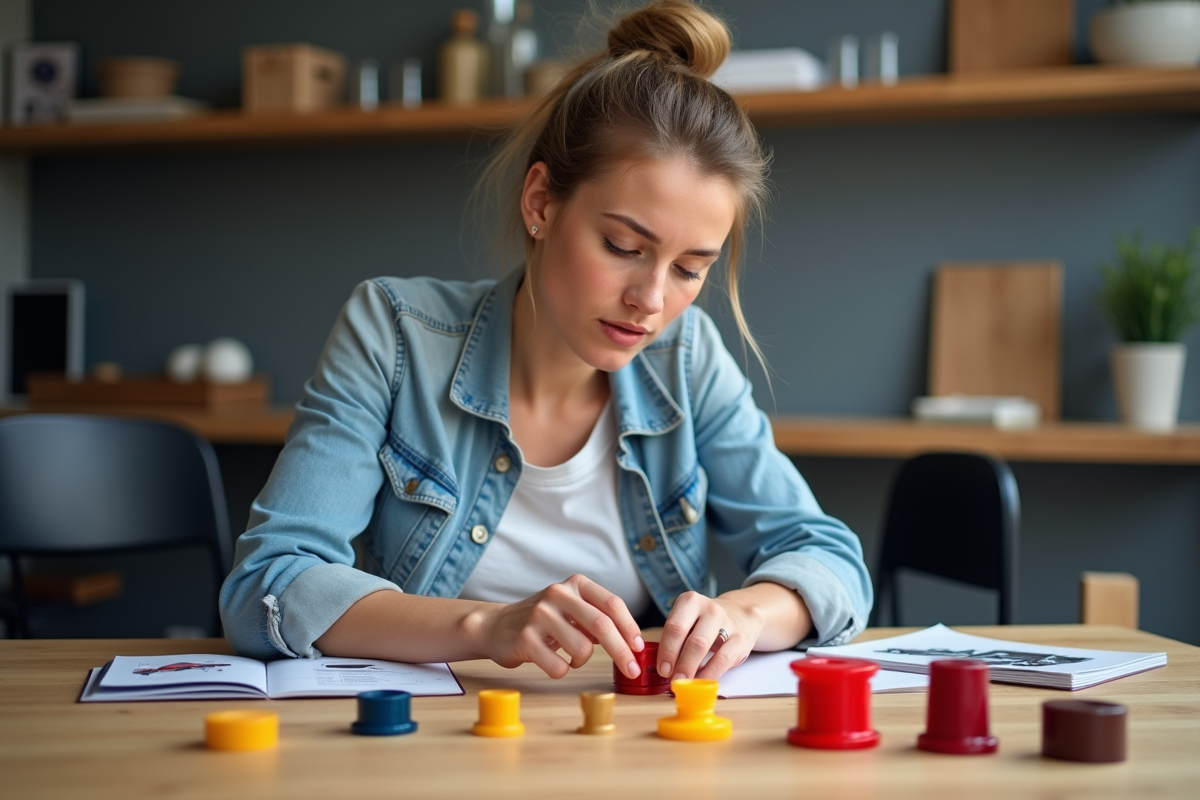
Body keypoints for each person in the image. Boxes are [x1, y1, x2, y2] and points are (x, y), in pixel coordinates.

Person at [220, 0, 871, 684]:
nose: (651, 301)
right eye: (623, 246)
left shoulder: (689, 357)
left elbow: (828, 557)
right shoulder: (394, 332)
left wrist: (746, 616)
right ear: (540, 204)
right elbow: (267, 585)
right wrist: (486, 625)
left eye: (689, 270)